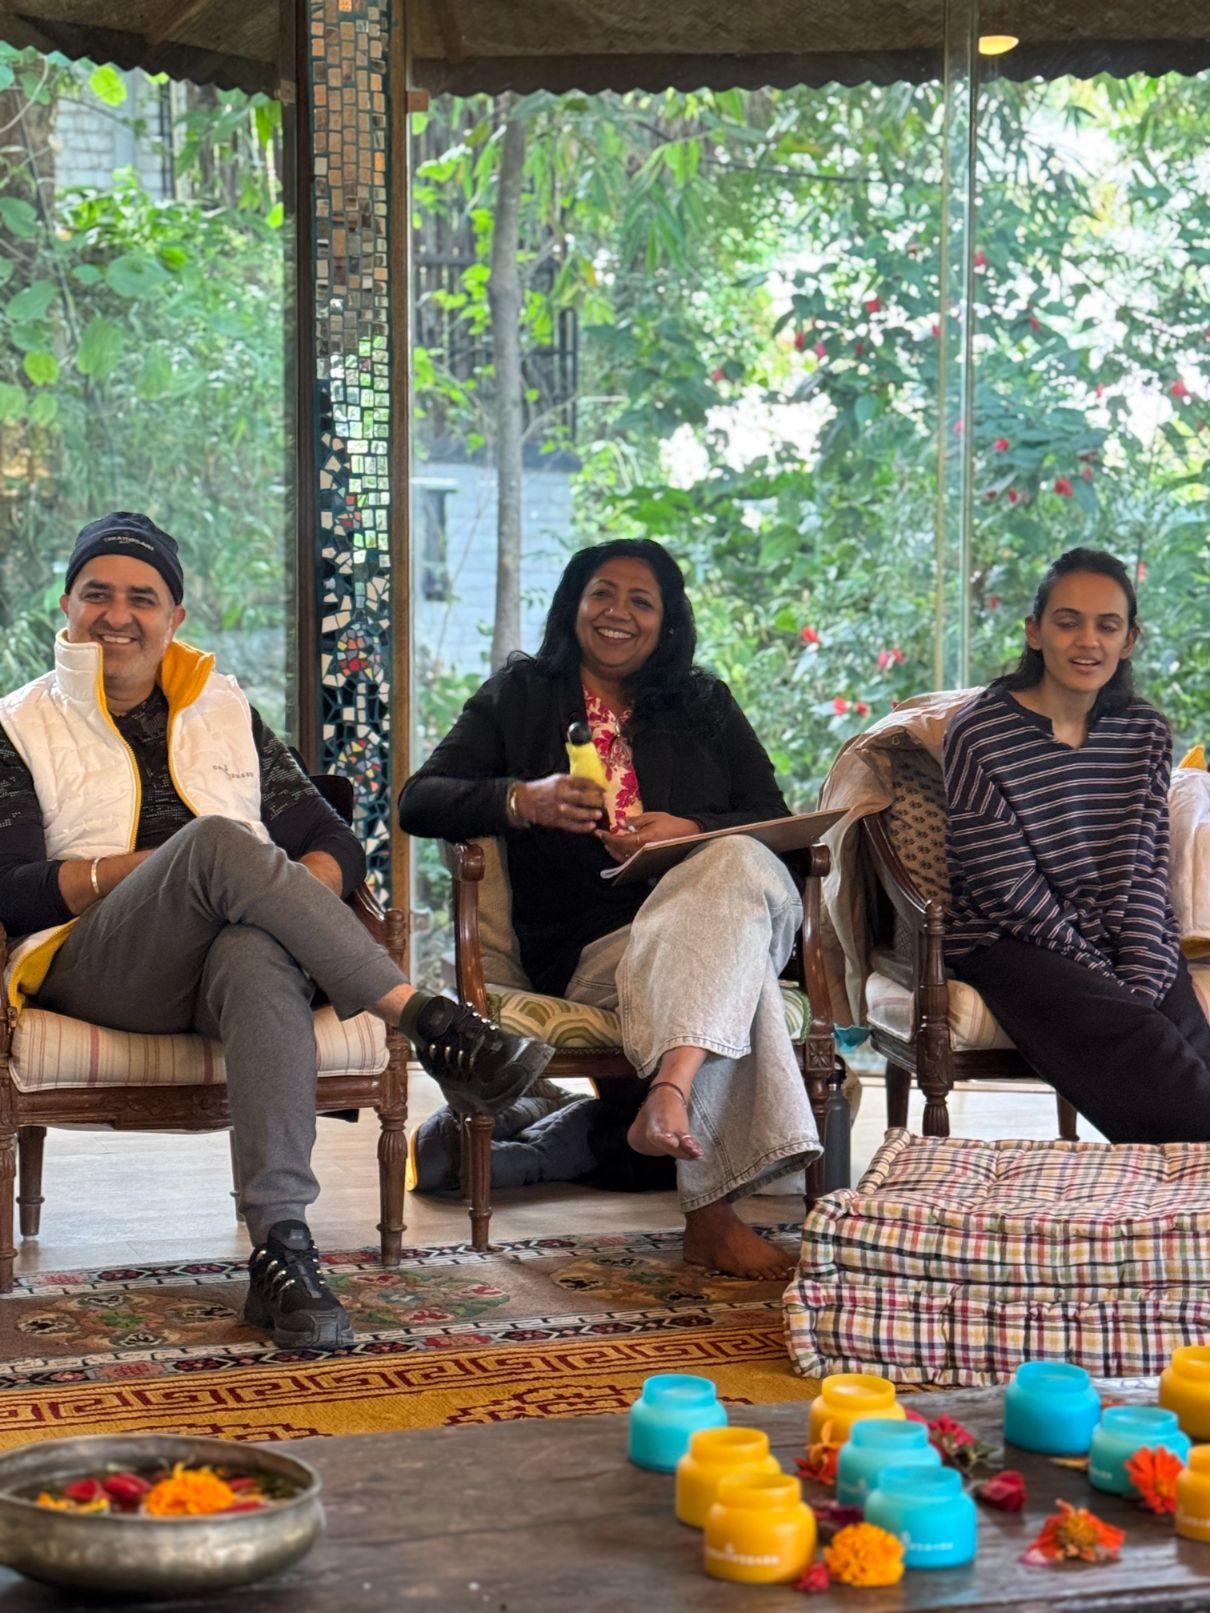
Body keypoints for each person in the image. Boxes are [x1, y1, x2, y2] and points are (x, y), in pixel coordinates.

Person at [0, 512, 554, 1349]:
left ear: (174, 616)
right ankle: (430, 1021)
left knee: (255, 951)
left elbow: (333, 840)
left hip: (218, 965)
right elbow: (12, 889)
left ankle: (283, 1251)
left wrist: (280, 895)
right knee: (219, 841)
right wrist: (142, 868)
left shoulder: (222, 707)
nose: (118, 614)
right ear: (67, 608)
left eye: (142, 597)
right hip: (94, 961)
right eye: (97, 594)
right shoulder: (19, 723)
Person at [398, 538, 820, 1279]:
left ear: (667, 621)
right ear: (574, 603)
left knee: (733, 860)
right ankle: (710, 1214)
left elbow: (774, 822)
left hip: (724, 916)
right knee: (736, 969)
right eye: (602, 593)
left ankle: (669, 1094)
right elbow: (419, 800)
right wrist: (520, 800)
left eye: (641, 600)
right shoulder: (522, 695)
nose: (617, 612)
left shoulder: (706, 705)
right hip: (599, 951)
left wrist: (691, 830)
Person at [944, 545, 1210, 1139]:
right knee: (1143, 1040)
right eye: (1068, 622)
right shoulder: (979, 732)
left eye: (1107, 626)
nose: (1087, 641)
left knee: (1190, 1042)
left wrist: (1141, 964)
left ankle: (1182, 1187)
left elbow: (1144, 867)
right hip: (1011, 938)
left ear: (1129, 639)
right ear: (1035, 631)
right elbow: (1005, 884)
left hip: (1119, 931)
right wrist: (1101, 974)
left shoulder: (1144, 732)